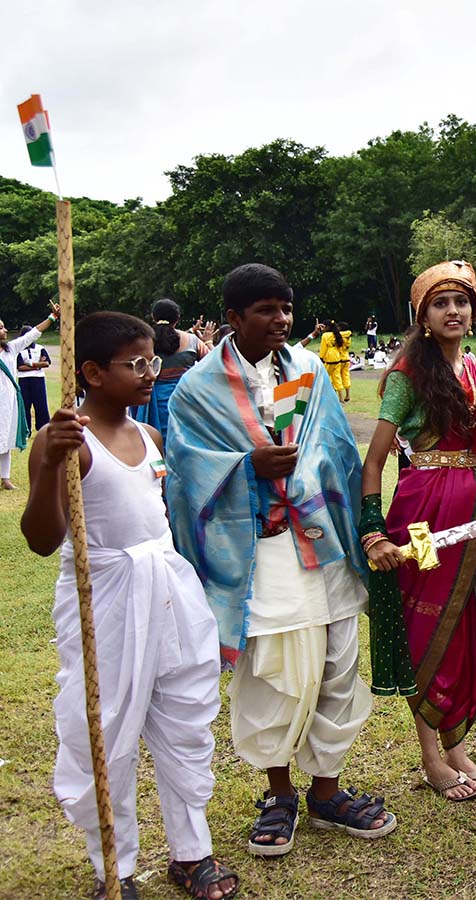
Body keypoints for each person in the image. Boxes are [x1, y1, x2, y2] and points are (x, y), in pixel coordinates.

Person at [166, 263, 396, 856]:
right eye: (266, 310)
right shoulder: (199, 388)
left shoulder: (310, 370)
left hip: (322, 542)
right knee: (274, 671)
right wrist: (247, 468)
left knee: (338, 664)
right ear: (234, 318)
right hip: (260, 551)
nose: (281, 320)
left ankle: (327, 790)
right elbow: (187, 472)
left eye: (286, 309)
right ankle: (278, 792)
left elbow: (333, 447)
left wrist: (303, 475)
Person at [21, 312, 238, 900]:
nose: (149, 373)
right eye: (134, 364)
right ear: (91, 371)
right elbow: (42, 540)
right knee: (105, 727)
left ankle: (192, 854)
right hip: (107, 598)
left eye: (151, 361)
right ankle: (113, 865)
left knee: (183, 719)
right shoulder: (67, 440)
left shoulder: (150, 437)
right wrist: (46, 464)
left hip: (168, 591)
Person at [361, 260, 476, 800]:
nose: (453, 311)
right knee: (429, 628)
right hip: (424, 521)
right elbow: (375, 459)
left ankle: (458, 747)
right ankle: (432, 758)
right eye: (440, 303)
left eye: (462, 301)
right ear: (423, 316)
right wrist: (373, 532)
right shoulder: (407, 375)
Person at [133, 299, 212, 444]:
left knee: (155, 444)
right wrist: (208, 342)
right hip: (186, 402)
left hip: (151, 405)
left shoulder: (143, 342)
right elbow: (212, 366)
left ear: (153, 317)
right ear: (177, 319)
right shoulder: (192, 341)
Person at [0, 305, 59, 490]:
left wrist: (52, 317)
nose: (5, 330)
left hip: (8, 401)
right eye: (1, 327)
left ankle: (5, 478)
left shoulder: (11, 349)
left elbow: (32, 334)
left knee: (5, 438)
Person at [16, 324, 52, 432]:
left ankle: (43, 428)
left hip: (38, 379)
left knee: (41, 404)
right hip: (24, 380)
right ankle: (26, 429)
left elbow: (46, 363)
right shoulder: (19, 351)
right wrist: (38, 365)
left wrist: (31, 364)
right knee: (25, 405)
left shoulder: (40, 348)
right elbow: (20, 367)